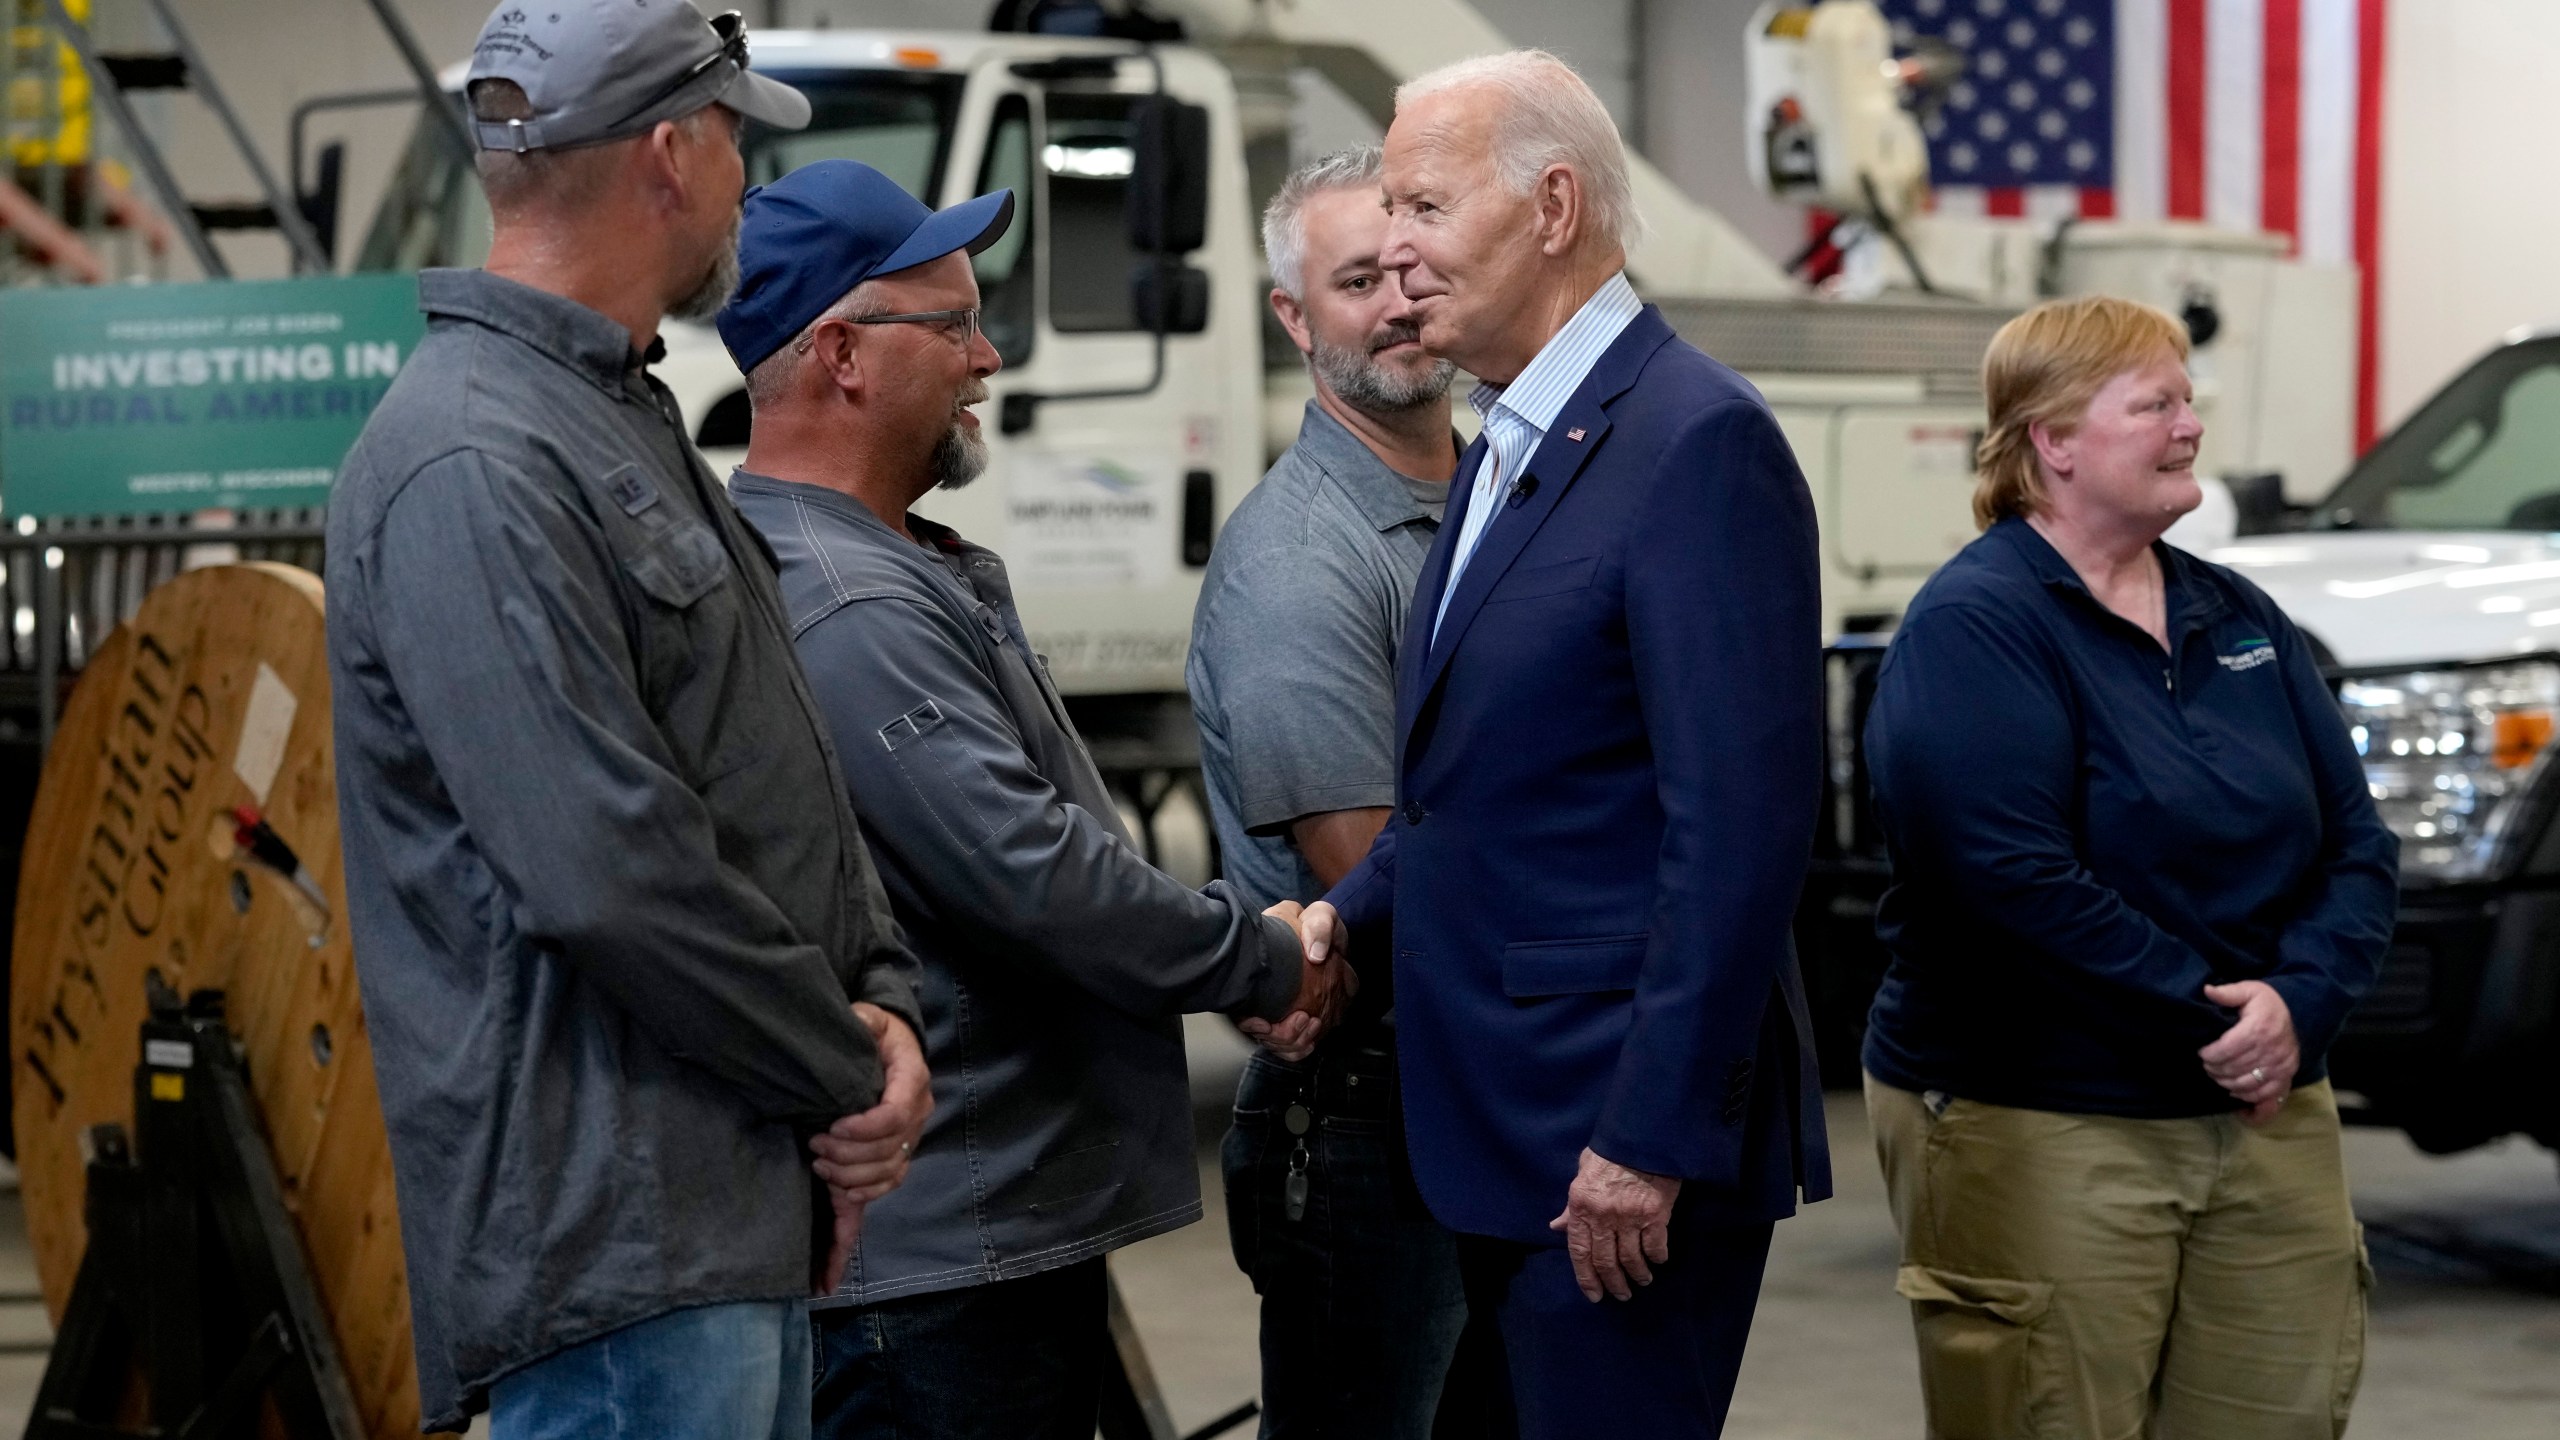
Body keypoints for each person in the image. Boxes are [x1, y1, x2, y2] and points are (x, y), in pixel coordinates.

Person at [326, 6, 933, 1436]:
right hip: (618, 1254)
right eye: (734, 139)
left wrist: (884, 1006)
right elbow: (606, 865)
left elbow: (756, 772)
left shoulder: (605, 413)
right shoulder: (475, 457)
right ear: (670, 151)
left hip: (711, 1217)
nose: (746, 180)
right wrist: (850, 1072)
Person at [712, 159, 1354, 1440]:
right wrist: (1260, 956)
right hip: (946, 1261)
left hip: (983, 1239)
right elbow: (1034, 871)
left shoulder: (869, 559)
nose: (987, 356)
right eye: (950, 325)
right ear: (840, 353)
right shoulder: (844, 606)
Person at [1298, 51, 1833, 1439]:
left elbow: (1742, 832)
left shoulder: (1694, 442)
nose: (1392, 250)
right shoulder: (1511, 438)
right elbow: (1479, 789)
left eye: (1421, 205)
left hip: (1611, 1154)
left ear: (1549, 206)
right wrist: (1343, 931)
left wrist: (1648, 1137)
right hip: (1499, 1134)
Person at [1860, 295, 2395, 1439]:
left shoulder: (2235, 616)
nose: (2190, 426)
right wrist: (2211, 1017)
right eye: (2155, 403)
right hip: (2048, 1113)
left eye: (2186, 400)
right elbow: (2002, 879)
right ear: (2052, 440)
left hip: (2263, 1108)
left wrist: (2300, 1006)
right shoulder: (1977, 625)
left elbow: (2357, 845)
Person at [1187, 145, 1475, 1439]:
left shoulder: (1500, 503)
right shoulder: (1302, 560)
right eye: (1358, 278)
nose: (1400, 303)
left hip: (1480, 1091)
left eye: (1418, 269)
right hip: (1368, 1119)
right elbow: (1371, 867)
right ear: (1295, 319)